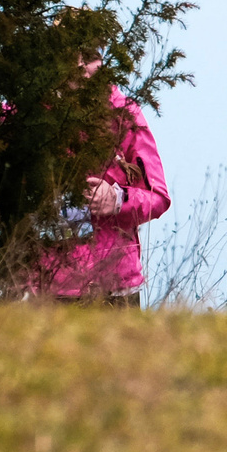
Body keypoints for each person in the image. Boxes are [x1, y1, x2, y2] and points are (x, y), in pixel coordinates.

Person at [39, 55, 172, 306]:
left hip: (113, 285)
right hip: (42, 285)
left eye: (88, 56)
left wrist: (118, 200)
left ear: (101, 60)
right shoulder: (26, 112)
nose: (78, 64)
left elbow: (159, 198)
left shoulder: (125, 115)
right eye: (70, 53)